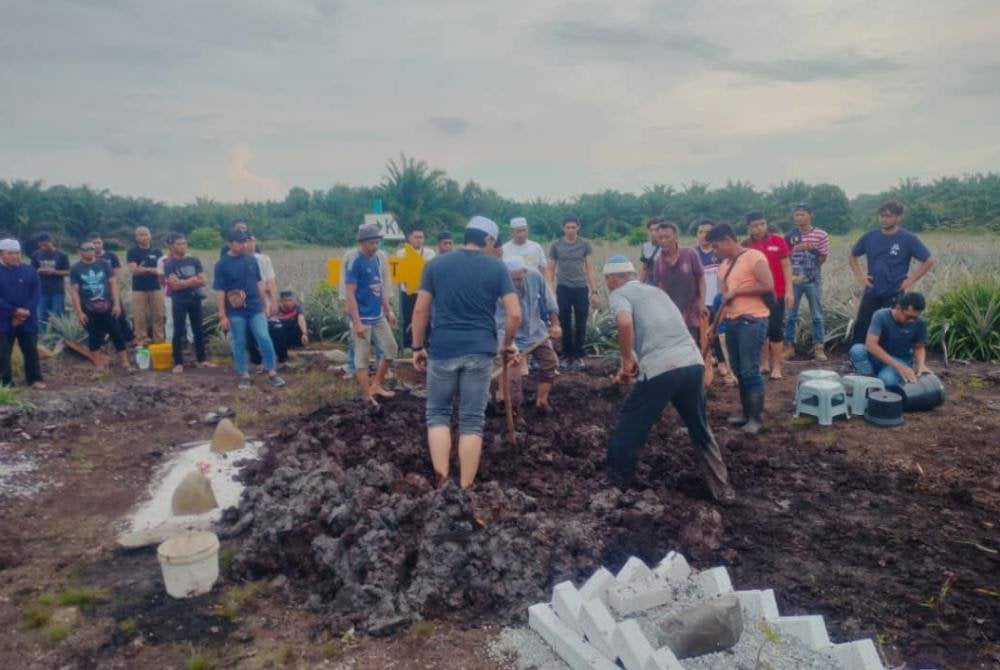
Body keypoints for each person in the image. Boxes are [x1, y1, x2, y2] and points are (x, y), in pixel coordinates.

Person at [602, 256, 734, 503]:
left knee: (628, 426)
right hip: (692, 363)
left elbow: (624, 321)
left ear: (612, 279)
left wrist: (626, 362)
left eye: (606, 280)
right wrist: (631, 359)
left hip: (661, 367)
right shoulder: (656, 292)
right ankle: (722, 488)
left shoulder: (619, 294)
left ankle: (615, 487)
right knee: (699, 427)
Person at [411, 216, 520, 489]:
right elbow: (515, 314)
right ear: (489, 239)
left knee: (437, 414)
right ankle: (464, 487)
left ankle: (442, 477)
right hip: (479, 350)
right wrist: (508, 343)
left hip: (443, 348)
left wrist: (416, 347)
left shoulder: (435, 264)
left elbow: (420, 310)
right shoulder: (497, 268)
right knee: (472, 420)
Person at [709, 223, 773, 435]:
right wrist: (715, 326)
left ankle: (756, 419)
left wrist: (737, 291)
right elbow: (723, 299)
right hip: (733, 321)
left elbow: (767, 285)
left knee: (749, 370)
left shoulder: (754, 257)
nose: (715, 251)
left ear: (728, 240)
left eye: (717, 246)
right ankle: (746, 414)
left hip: (753, 320)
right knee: (738, 370)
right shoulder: (724, 266)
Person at [849, 200, 935, 345]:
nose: (884, 219)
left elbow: (929, 260)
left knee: (890, 328)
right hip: (872, 290)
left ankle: (887, 361)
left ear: (898, 218)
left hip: (894, 291)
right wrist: (861, 277)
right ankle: (855, 360)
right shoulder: (870, 236)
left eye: (888, 216)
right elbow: (852, 255)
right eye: (881, 215)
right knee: (863, 326)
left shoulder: (908, 239)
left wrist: (910, 280)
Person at [213, 229, 285, 390]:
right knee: (239, 341)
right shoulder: (222, 265)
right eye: (240, 242)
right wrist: (222, 315)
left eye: (245, 241)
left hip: (255, 307)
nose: (244, 244)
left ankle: (272, 372)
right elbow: (220, 291)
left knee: (264, 337)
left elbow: (260, 283)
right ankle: (244, 374)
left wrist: (265, 304)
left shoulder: (251, 260)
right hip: (235, 309)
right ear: (230, 244)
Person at [495, 256, 561, 415]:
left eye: (519, 279)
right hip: (509, 335)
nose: (517, 284)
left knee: (550, 363)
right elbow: (499, 322)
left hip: (535, 331)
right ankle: (514, 410)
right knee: (513, 376)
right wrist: (509, 346)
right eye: (513, 280)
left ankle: (542, 401)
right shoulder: (496, 286)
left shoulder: (535, 276)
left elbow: (549, 301)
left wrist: (555, 324)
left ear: (524, 272)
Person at [345, 223, 399, 406]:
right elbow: (350, 293)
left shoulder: (377, 259)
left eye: (377, 243)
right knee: (362, 359)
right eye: (371, 243)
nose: (374, 247)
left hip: (378, 316)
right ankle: (367, 396)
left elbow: (380, 287)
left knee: (391, 349)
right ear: (362, 243)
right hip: (362, 318)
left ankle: (376, 384)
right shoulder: (354, 261)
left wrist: (388, 311)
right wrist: (357, 322)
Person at [744, 212, 792, 379]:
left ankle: (777, 366)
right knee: (761, 329)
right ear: (749, 227)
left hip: (776, 293)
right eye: (755, 225)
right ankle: (764, 363)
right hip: (756, 294)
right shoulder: (745, 245)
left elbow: (786, 266)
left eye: (762, 224)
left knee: (775, 329)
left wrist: (789, 291)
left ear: (766, 224)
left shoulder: (778, 241)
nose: (759, 228)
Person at [849, 292, 931, 388]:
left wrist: (921, 365)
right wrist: (899, 367)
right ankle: (869, 379)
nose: (912, 321)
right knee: (857, 350)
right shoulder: (881, 316)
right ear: (898, 307)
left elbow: (919, 347)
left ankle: (881, 379)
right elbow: (871, 345)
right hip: (879, 357)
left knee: (887, 380)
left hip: (901, 360)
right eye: (908, 317)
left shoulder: (920, 323)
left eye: (915, 318)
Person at [70, 241, 130, 370]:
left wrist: (117, 304)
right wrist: (79, 312)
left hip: (107, 306)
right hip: (88, 308)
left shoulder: (104, 264)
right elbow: (74, 291)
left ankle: (125, 362)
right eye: (86, 249)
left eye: (92, 248)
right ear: (79, 251)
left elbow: (113, 284)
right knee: (94, 336)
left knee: (117, 333)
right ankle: (98, 366)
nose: (90, 251)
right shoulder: (76, 268)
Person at [548, 216, 599, 370]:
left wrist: (594, 290)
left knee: (581, 322)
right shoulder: (556, 245)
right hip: (563, 287)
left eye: (573, 227)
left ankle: (579, 355)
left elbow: (590, 268)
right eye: (567, 227)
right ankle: (567, 355)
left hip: (581, 287)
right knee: (564, 322)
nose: (570, 230)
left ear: (578, 227)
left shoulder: (584, 245)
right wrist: (551, 291)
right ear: (563, 228)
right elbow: (550, 269)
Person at [783, 205, 829, 361]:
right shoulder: (789, 236)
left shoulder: (821, 234)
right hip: (793, 280)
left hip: (813, 280)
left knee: (817, 315)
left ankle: (819, 348)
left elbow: (823, 259)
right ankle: (789, 347)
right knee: (790, 315)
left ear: (811, 215)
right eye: (796, 215)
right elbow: (784, 259)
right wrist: (795, 250)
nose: (799, 218)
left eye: (802, 214)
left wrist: (812, 250)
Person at [162, 233, 213, 373]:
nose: (182, 246)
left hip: (195, 299)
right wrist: (192, 280)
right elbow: (175, 286)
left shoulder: (194, 261)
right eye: (178, 244)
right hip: (179, 300)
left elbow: (203, 280)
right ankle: (178, 362)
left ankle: (202, 360)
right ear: (172, 246)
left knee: (198, 330)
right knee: (178, 331)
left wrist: (185, 282)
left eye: (184, 243)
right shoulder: (169, 264)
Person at [695, 220, 736, 385]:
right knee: (702, 334)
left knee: (719, 333)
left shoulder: (720, 253)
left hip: (718, 300)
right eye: (700, 231)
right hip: (701, 302)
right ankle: (704, 365)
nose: (704, 235)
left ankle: (722, 363)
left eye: (707, 231)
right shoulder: (693, 254)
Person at [0, 239, 44, 388]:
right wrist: (13, 311)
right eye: (10, 253)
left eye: (17, 253)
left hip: (27, 318)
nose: (15, 256)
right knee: (3, 353)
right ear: (1, 254)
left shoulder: (29, 270)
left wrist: (25, 311)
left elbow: (36, 292)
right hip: (4, 320)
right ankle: (5, 384)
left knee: (31, 350)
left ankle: (35, 379)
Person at [652, 221, 705, 341]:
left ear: (676, 237)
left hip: (691, 313)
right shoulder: (658, 262)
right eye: (660, 238)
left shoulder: (689, 254)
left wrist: (701, 302)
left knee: (693, 347)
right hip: (671, 315)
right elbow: (659, 287)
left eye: (667, 237)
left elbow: (701, 278)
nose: (664, 241)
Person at [88, 232, 134, 345]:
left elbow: (117, 272)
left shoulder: (111, 256)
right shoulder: (88, 259)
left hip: (112, 292)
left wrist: (111, 286)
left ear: (102, 243)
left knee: (120, 314)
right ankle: (103, 342)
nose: (97, 245)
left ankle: (129, 338)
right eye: (94, 243)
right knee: (99, 318)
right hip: (95, 294)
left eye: (98, 242)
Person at [244, 235, 282, 370]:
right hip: (243, 302)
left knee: (264, 333)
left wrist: (273, 301)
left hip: (263, 299)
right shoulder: (236, 260)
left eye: (252, 241)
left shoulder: (263, 259)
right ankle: (256, 361)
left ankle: (270, 362)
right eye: (247, 241)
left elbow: (270, 282)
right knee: (248, 333)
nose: (250, 244)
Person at [396, 227, 436, 349]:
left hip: (424, 292)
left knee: (427, 318)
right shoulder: (401, 253)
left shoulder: (430, 253)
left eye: (421, 237)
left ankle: (428, 344)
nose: (419, 240)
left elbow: (429, 273)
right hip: (407, 292)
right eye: (416, 237)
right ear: (409, 238)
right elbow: (402, 273)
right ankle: (408, 346)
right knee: (408, 319)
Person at [126, 226, 165, 346]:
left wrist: (145, 269)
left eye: (146, 234)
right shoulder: (132, 252)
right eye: (140, 235)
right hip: (139, 289)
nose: (144, 237)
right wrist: (152, 270)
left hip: (156, 287)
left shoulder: (157, 252)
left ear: (150, 236)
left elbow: (161, 270)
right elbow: (134, 270)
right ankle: (141, 341)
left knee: (158, 315)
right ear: (136, 237)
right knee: (139, 317)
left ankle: (158, 341)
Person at [30, 232, 70, 330]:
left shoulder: (61, 255)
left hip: (57, 291)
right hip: (41, 290)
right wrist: (38, 271)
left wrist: (54, 272)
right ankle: (42, 338)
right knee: (41, 316)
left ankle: (57, 337)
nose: (43, 247)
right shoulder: (36, 254)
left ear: (50, 241)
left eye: (45, 244)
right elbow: (31, 271)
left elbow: (68, 272)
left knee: (57, 316)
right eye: (40, 244)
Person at [638, 218, 663, 285]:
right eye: (651, 230)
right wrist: (640, 285)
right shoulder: (645, 247)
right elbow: (645, 268)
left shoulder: (667, 246)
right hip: (650, 283)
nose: (653, 233)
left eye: (656, 230)